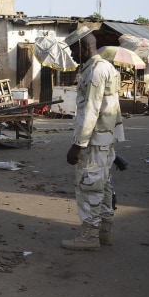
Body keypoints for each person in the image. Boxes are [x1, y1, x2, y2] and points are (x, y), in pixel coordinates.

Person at [62, 32, 124, 250]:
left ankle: (89, 237)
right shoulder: (107, 67)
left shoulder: (95, 72)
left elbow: (91, 110)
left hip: (94, 140)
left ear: (83, 46)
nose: (71, 54)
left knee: (89, 186)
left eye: (72, 49)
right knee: (104, 185)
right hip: (105, 139)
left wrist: (78, 145)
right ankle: (104, 233)